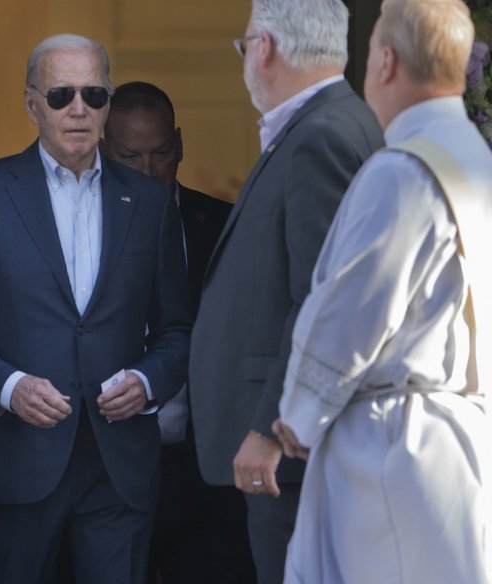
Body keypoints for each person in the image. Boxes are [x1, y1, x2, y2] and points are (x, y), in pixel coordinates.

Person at [0, 34, 192, 584]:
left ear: (108, 105)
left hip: (118, 465)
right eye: (61, 94)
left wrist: (147, 380)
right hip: (16, 457)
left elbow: (179, 329)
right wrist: (8, 385)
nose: (79, 109)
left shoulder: (150, 202)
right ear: (31, 105)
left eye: (94, 95)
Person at [273, 1, 492, 581]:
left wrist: (299, 412)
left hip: (394, 444)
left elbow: (356, 305)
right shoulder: (478, 158)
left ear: (385, 61)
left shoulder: (401, 169)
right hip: (464, 433)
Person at [186, 1, 385, 582]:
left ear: (265, 48)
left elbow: (324, 299)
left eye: (245, 46)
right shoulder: (328, 123)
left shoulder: (320, 135)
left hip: (290, 456)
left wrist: (274, 427)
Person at [102, 81, 254, 584]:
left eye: (161, 153)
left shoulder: (226, 227)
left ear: (181, 145)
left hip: (209, 468)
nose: (149, 171)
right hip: (113, 466)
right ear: (102, 150)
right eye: (131, 156)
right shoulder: (78, 229)